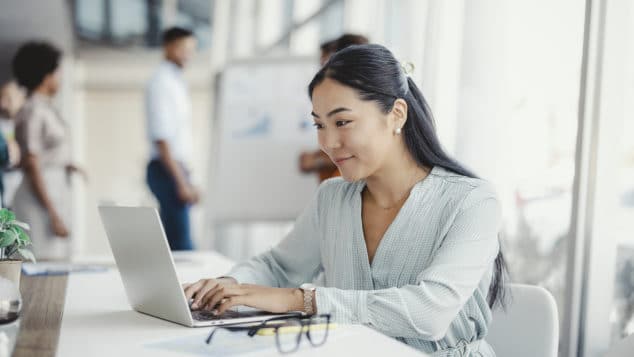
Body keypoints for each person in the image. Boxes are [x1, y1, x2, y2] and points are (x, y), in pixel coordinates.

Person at [183, 44, 507, 356]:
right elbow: (278, 267)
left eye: (342, 122)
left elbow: (430, 312)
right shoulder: (333, 197)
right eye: (319, 125)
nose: (327, 142)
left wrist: (300, 300)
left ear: (396, 114)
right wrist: (226, 285)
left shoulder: (472, 201)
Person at [11, 42, 86, 260]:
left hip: (53, 188)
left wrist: (68, 164)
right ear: (46, 76)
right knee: (42, 263)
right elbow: (33, 163)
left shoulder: (45, 107)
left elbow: (46, 151)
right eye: (57, 72)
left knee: (57, 260)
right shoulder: (33, 110)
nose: (60, 78)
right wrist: (53, 214)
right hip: (39, 196)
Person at [145, 27, 199, 251]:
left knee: (175, 244)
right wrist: (181, 182)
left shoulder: (175, 81)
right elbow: (163, 138)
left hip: (175, 170)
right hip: (167, 170)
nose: (189, 54)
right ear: (168, 47)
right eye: (184, 48)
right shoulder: (161, 83)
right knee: (182, 247)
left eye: (192, 49)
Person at [299, 33, 369, 183]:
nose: (323, 72)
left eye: (327, 64)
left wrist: (316, 161)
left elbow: (361, 149)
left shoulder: (364, 100)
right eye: (319, 125)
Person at [0, 81, 24, 207]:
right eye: (1, 98)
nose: (3, 103)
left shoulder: (23, 123)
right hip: (5, 180)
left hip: (20, 183)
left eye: (8, 99)